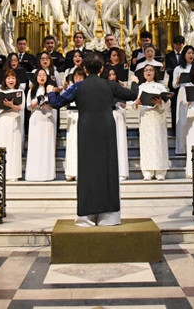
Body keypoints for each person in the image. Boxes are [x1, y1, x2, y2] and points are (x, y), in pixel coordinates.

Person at [47, 52, 138, 227]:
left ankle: (87, 216)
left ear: (85, 69)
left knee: (87, 169)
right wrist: (134, 81)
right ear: (102, 68)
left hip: (86, 128)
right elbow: (132, 95)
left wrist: (51, 91)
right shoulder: (110, 84)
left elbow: (57, 103)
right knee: (107, 166)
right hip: (106, 128)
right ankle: (109, 216)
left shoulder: (78, 86)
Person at [134, 64, 170, 181]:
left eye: (151, 70)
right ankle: (147, 171)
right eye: (146, 70)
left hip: (157, 117)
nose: (148, 72)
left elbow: (167, 102)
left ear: (155, 73)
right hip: (145, 118)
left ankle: (160, 171)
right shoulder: (140, 87)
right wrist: (137, 102)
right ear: (143, 74)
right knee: (146, 144)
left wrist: (160, 102)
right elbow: (132, 103)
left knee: (159, 142)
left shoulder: (160, 87)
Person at [24, 69, 57, 181]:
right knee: (35, 145)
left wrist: (46, 103)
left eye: (44, 75)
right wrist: (38, 102)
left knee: (46, 144)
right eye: (39, 75)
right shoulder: (31, 90)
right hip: (36, 117)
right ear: (36, 77)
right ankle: (34, 174)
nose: (42, 77)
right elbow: (29, 107)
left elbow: (54, 105)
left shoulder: (50, 89)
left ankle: (47, 174)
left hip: (47, 117)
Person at [0, 70, 24, 181]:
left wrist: (11, 105)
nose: (11, 80)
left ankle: (13, 174)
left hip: (13, 119)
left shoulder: (19, 91)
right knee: (1, 144)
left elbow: (21, 107)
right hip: (1, 119)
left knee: (13, 146)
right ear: (5, 80)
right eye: (8, 78)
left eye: (13, 78)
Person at [172, 45, 194, 156]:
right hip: (183, 93)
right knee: (182, 120)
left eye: (192, 53)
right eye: (189, 53)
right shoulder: (178, 68)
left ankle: (193, 145)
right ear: (184, 55)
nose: (191, 55)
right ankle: (182, 148)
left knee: (192, 119)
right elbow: (174, 85)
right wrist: (177, 81)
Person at [61, 69, 85, 182]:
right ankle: (71, 171)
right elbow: (62, 100)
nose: (78, 79)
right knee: (72, 144)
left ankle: (82, 171)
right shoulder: (70, 89)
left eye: (81, 77)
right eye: (76, 77)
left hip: (83, 117)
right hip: (72, 117)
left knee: (82, 145)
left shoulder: (87, 89)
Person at [107, 67, 130, 182]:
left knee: (120, 143)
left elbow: (125, 104)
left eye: (113, 74)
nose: (112, 77)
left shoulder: (120, 88)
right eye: (110, 75)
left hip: (119, 116)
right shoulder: (104, 87)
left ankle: (122, 171)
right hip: (107, 116)